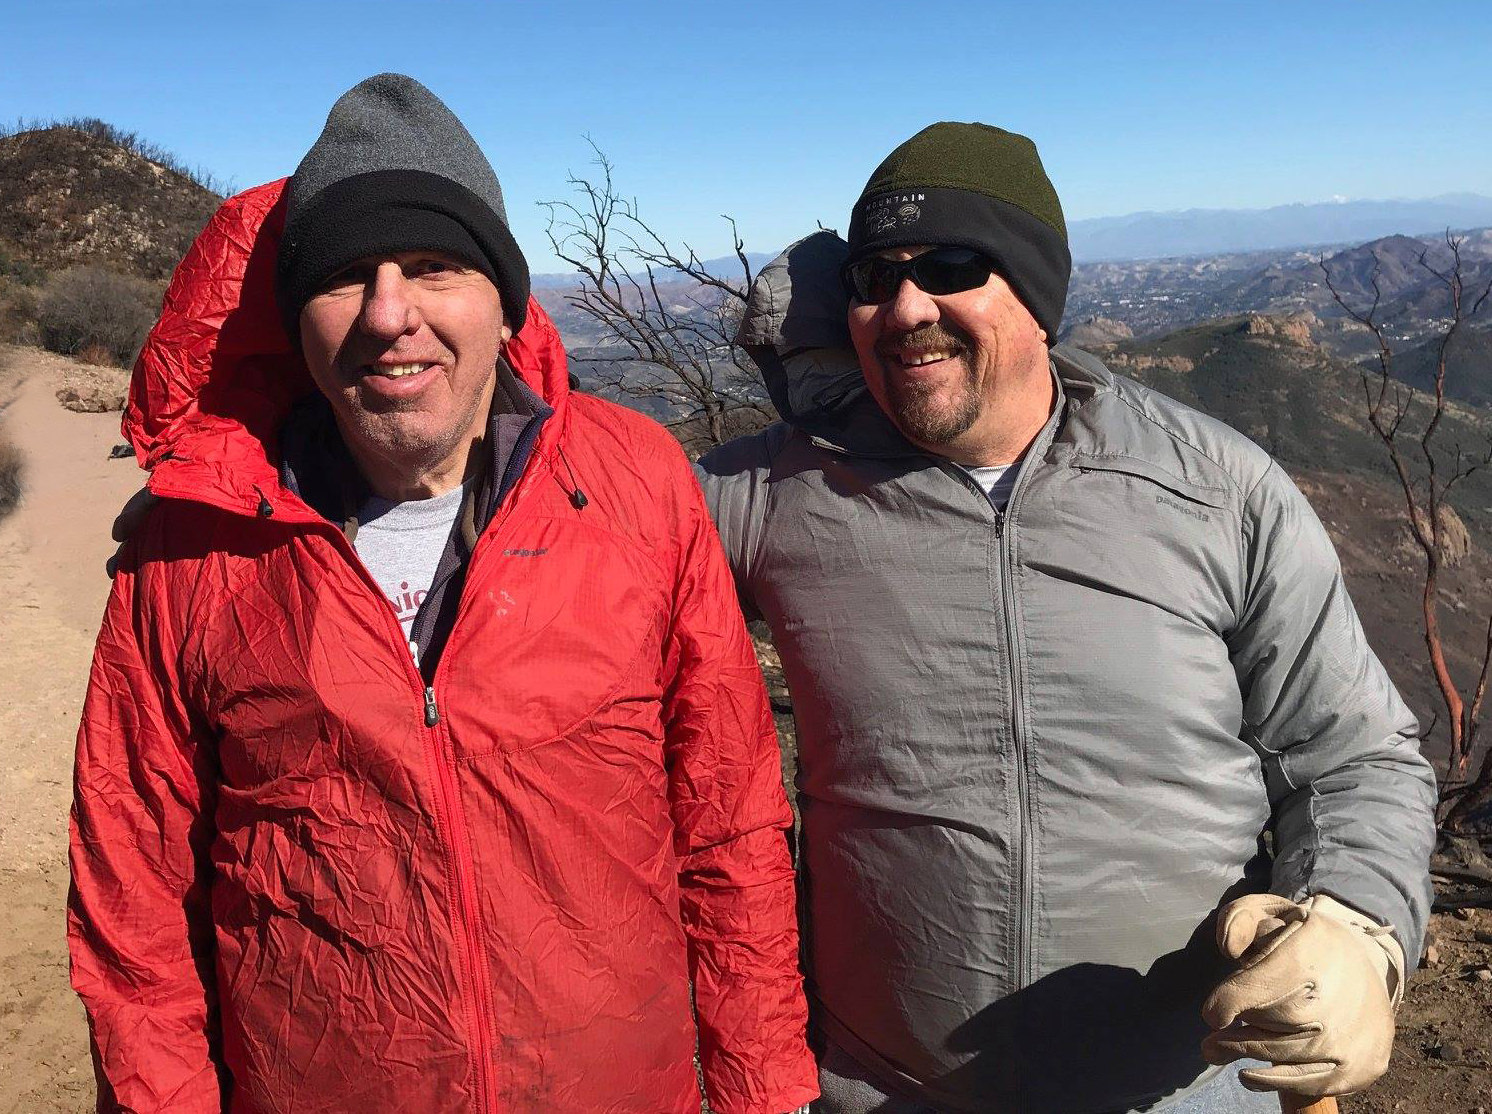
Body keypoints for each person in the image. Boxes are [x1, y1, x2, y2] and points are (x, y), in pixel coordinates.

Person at [69, 74, 817, 1114]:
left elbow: (727, 816)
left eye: (432, 267)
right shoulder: (190, 552)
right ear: (296, 323)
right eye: (343, 278)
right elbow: (133, 900)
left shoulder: (637, 486)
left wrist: (761, 1085)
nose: (389, 314)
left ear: (504, 303)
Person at [697, 123, 1437, 1113]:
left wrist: (1355, 924)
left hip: (1193, 1088)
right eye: (873, 276)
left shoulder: (1216, 490)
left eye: (953, 266)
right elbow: (552, 530)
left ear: (1037, 296)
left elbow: (1352, 754)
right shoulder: (767, 494)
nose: (905, 305)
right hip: (881, 1088)